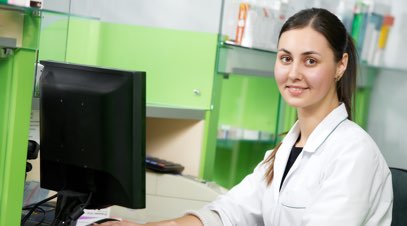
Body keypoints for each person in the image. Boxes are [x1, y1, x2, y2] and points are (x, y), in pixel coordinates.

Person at [97, 7, 393, 226]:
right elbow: (228, 213)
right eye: (286, 58)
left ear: (341, 65)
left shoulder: (354, 154)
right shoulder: (282, 153)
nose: (293, 74)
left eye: (311, 61)